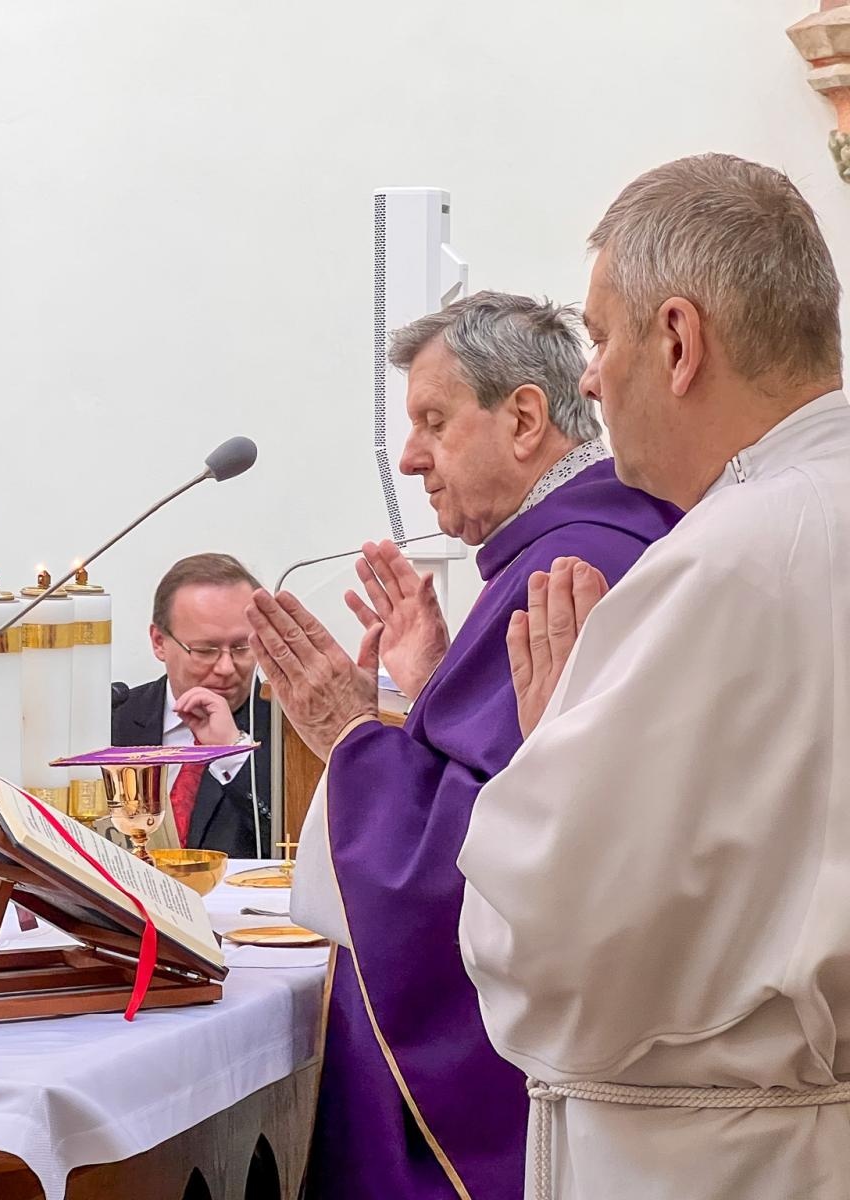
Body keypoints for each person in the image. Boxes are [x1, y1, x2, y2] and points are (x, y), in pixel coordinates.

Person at [458, 155, 850, 1199]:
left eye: (599, 335)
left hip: (731, 1163)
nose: (590, 377)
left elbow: (563, 952)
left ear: (677, 342)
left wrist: (551, 760)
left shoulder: (723, 561)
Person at [249, 292, 678, 1199]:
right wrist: (434, 692)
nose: (410, 459)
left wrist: (349, 732)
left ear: (524, 418)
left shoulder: (572, 566)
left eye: (433, 422)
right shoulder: (575, 546)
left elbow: (482, 856)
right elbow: (507, 772)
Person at [112, 553, 273, 857]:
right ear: (159, 642)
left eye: (242, 647)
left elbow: (301, 844)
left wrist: (232, 752)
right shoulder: (116, 717)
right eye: (205, 650)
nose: (226, 667)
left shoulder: (291, 729)